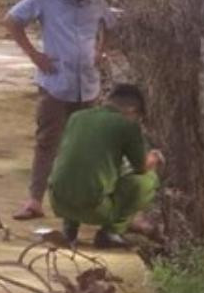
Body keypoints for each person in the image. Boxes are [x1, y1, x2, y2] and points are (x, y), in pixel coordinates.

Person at [5, 0, 118, 220]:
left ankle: (77, 203)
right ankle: (34, 200)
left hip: (87, 85)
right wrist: (35, 55)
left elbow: (110, 25)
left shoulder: (96, 0)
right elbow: (12, 21)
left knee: (82, 144)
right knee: (47, 141)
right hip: (56, 82)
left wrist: (101, 51)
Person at [48, 82, 163, 249]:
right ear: (132, 111)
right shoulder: (127, 125)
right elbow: (141, 167)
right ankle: (111, 232)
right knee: (148, 180)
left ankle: (69, 229)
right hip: (92, 208)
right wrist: (155, 157)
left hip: (57, 201)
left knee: (78, 172)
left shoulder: (77, 117)